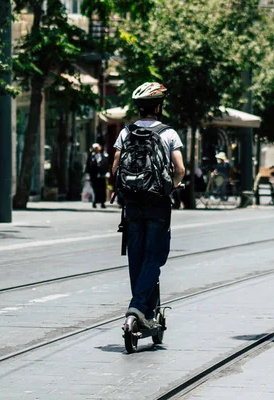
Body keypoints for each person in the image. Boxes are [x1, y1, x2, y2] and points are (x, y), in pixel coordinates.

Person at [112, 82, 185, 329]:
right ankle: (137, 307)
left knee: (136, 257)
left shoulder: (125, 132)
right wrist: (171, 185)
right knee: (154, 257)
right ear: (158, 106)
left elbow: (115, 168)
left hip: (132, 205)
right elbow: (180, 169)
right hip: (157, 205)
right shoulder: (169, 133)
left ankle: (145, 313)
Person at [85, 143, 109, 208]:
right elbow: (88, 166)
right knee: (95, 189)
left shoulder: (103, 155)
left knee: (102, 189)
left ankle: (102, 203)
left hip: (102, 175)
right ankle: (94, 202)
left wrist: (107, 172)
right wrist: (87, 175)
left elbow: (106, 164)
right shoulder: (91, 156)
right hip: (94, 175)